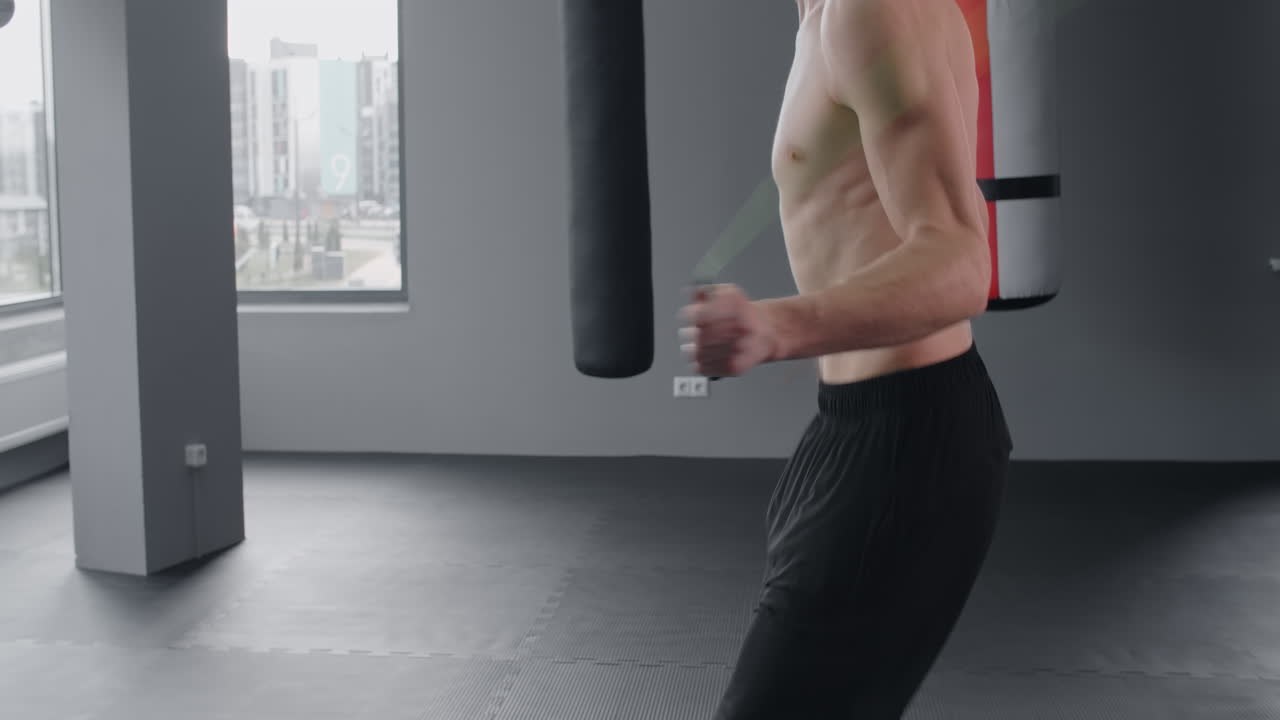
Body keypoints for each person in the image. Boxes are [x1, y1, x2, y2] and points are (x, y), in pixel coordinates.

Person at [679, 0, 1013, 716]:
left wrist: (774, 329)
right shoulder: (819, 15)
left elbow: (961, 260)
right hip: (851, 427)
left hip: (909, 444)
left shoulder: (873, 9)